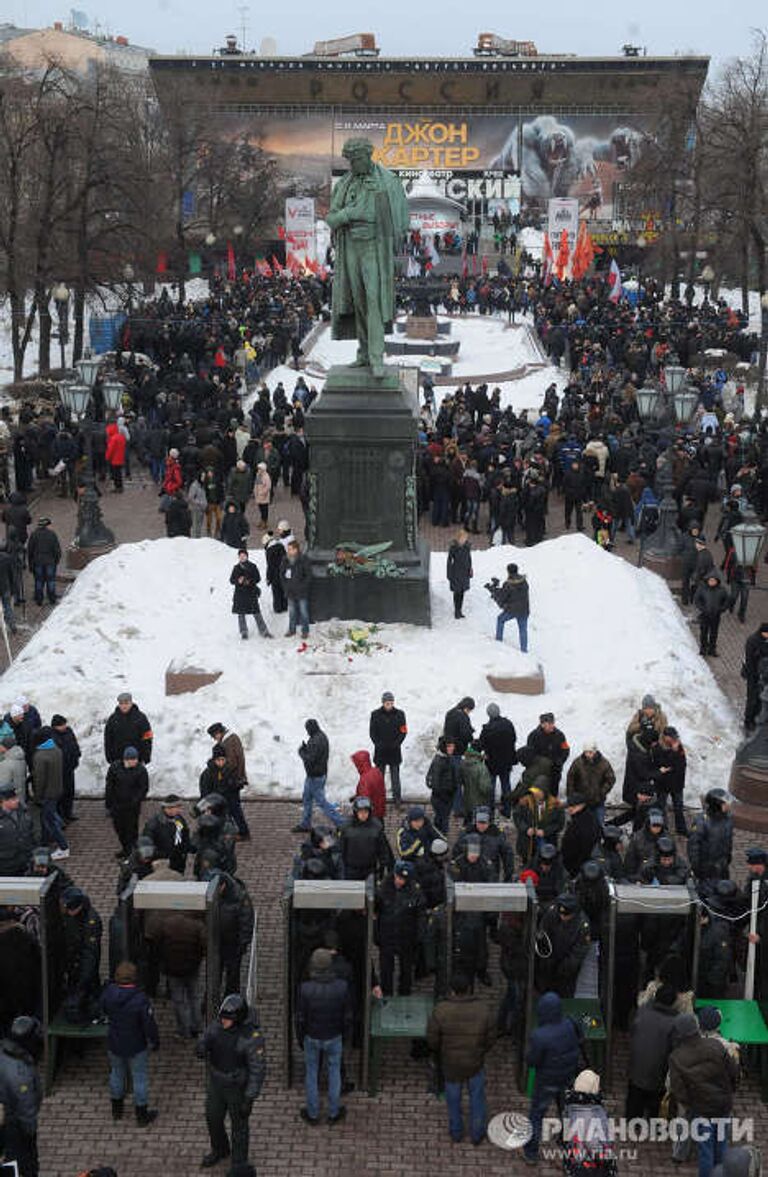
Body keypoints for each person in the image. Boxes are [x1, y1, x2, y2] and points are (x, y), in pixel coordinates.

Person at [197, 994, 266, 1171]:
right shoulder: (217, 1026)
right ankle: (220, 1149)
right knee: (212, 1117)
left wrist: (249, 1098)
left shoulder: (251, 1037)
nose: (223, 1022)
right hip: (217, 1083)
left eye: (227, 1019)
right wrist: (201, 1046)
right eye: (222, 1018)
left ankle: (239, 1160)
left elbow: (257, 1070)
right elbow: (205, 1038)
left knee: (240, 1126)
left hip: (237, 1088)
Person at [426, 972, 496, 1146]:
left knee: (453, 1099)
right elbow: (491, 1038)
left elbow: (432, 1040)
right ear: (470, 988)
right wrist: (480, 1051)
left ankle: (456, 1132)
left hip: (451, 1064)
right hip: (475, 1062)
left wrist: (442, 1052)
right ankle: (477, 1133)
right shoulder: (483, 1010)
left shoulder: (441, 1010)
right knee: (477, 1098)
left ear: (451, 990)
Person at [668, 1012, 739, 1177]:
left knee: (705, 1151)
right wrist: (728, 1092)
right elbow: (733, 1072)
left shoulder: (676, 1057)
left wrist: (691, 1104)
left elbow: (678, 1090)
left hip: (700, 1110)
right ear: (697, 1027)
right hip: (723, 1105)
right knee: (721, 1146)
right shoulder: (716, 1046)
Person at [522, 991, 583, 1166]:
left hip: (546, 1081)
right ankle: (567, 1145)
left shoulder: (539, 1035)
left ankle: (531, 1153)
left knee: (537, 1115)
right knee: (567, 1112)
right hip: (568, 1076)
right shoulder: (571, 1023)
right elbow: (581, 1038)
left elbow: (532, 1061)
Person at [296, 947, 353, 1125]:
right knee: (334, 1072)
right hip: (334, 1035)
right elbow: (348, 1016)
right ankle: (333, 1112)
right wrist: (346, 1036)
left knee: (312, 1072)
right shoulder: (342, 987)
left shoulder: (305, 989)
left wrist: (300, 1037)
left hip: (312, 1036)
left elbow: (300, 1017)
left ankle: (313, 1113)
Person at [101, 960, 159, 1126]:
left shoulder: (109, 993)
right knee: (139, 1078)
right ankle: (141, 1115)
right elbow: (149, 1024)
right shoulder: (140, 999)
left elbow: (103, 1008)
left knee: (116, 1074)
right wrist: (154, 1041)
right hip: (136, 1044)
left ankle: (117, 1110)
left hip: (115, 1041)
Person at [625, 982, 678, 1119]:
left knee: (634, 1099)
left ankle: (632, 1121)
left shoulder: (641, 1011)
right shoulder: (674, 1022)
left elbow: (632, 1032)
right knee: (655, 1101)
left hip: (635, 1070)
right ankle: (652, 1121)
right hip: (658, 1075)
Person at [374, 860, 426, 996]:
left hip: (406, 937)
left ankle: (404, 994)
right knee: (386, 970)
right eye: (398, 877)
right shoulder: (383, 889)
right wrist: (376, 934)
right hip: (387, 936)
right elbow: (375, 913)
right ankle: (387, 994)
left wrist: (419, 935)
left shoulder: (415, 891)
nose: (400, 881)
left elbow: (420, 915)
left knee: (406, 970)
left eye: (403, 879)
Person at [0, 1015, 43, 1177]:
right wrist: (30, 1130)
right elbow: (27, 1108)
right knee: (26, 1164)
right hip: (15, 1125)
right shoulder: (20, 1073)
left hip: (5, 1118)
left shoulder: (4, 1051)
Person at [60, 885, 102, 1024]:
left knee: (87, 992)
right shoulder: (72, 914)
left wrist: (85, 978)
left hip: (84, 966)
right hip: (73, 962)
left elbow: (90, 953)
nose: (66, 911)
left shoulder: (91, 922)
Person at [534, 894, 591, 997]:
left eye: (566, 915)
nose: (563, 917)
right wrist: (546, 961)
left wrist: (562, 970)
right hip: (549, 964)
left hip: (566, 972)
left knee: (565, 997)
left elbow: (578, 953)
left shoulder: (582, 925)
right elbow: (543, 934)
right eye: (561, 914)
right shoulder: (552, 913)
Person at [294, 719, 341, 834]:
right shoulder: (321, 736)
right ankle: (305, 823)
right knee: (307, 799)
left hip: (315, 777)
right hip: (316, 775)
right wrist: (307, 749)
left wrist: (301, 752)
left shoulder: (315, 740)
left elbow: (310, 760)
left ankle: (341, 823)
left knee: (321, 802)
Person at [31, 726, 69, 861]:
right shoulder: (56, 750)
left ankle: (63, 847)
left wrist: (37, 796)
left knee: (49, 820)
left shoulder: (40, 756)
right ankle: (56, 828)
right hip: (58, 789)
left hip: (48, 793)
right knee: (51, 814)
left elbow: (40, 780)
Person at [106, 746, 149, 861]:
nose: (134, 761)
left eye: (136, 759)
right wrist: (109, 803)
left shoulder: (141, 770)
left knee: (131, 830)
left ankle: (131, 852)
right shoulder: (115, 768)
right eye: (132, 759)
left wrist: (135, 801)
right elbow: (110, 785)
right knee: (119, 829)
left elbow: (143, 788)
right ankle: (125, 848)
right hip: (117, 806)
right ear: (125, 759)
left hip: (131, 807)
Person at [199, 743, 250, 842]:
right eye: (218, 760)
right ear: (214, 760)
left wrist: (237, 784)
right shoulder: (207, 774)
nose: (221, 762)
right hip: (215, 801)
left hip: (231, 799)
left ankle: (243, 833)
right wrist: (206, 805)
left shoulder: (230, 770)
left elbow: (235, 783)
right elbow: (204, 791)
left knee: (236, 815)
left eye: (223, 760)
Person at [338, 795, 393, 881]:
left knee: (370, 892)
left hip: (370, 869)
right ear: (356, 812)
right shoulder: (346, 827)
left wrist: (383, 865)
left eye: (366, 812)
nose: (363, 815)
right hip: (352, 869)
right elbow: (341, 849)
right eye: (361, 812)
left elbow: (383, 848)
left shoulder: (377, 827)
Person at [478, 703, 517, 819]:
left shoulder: (487, 728)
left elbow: (482, 744)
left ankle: (490, 811)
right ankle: (507, 809)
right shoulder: (508, 724)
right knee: (506, 785)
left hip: (492, 763)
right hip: (506, 761)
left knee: (491, 787)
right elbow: (514, 738)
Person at [369, 691, 407, 807]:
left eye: (391, 703)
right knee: (379, 777)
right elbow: (372, 732)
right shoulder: (375, 714)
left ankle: (397, 798)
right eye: (387, 703)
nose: (389, 705)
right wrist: (378, 744)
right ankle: (378, 798)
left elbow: (403, 731)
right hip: (380, 751)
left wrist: (396, 743)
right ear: (383, 703)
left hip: (394, 751)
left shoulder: (400, 714)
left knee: (395, 776)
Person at [520, 712, 570, 797]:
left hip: (555, 771)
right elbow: (529, 755)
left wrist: (560, 761)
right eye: (549, 724)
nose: (552, 726)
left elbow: (566, 749)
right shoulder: (533, 736)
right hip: (540, 773)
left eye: (553, 723)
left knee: (553, 795)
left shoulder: (560, 735)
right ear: (542, 724)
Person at [565, 741, 615, 826]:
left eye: (590, 752)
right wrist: (572, 796)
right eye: (586, 752)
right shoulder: (578, 763)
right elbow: (570, 779)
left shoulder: (604, 763)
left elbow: (610, 779)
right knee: (580, 825)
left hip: (598, 801)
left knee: (599, 825)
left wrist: (601, 792)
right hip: (581, 801)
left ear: (595, 752)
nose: (588, 755)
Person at [688, 788, 733, 882]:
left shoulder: (727, 818)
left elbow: (728, 840)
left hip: (722, 866)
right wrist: (697, 868)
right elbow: (693, 847)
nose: (729, 805)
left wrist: (727, 857)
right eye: (725, 803)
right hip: (706, 868)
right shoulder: (701, 822)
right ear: (716, 805)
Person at [652, 726, 688, 836]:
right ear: (665, 737)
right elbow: (662, 764)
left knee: (678, 807)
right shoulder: (657, 747)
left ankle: (681, 829)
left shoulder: (678, 746)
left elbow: (682, 764)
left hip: (677, 784)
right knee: (662, 808)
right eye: (671, 737)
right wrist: (673, 752)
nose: (673, 739)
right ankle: (664, 830)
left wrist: (675, 755)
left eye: (674, 737)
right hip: (662, 784)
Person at [142, 794, 191, 875]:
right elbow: (148, 845)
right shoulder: (154, 824)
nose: (180, 809)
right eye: (178, 807)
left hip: (178, 861)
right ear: (169, 808)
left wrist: (186, 848)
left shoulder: (179, 819)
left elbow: (184, 834)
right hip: (163, 862)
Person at [229, 548, 271, 640]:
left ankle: (264, 631)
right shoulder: (236, 568)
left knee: (256, 612)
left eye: (243, 556)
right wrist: (238, 581)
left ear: (247, 556)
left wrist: (250, 581)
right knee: (241, 614)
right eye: (240, 556)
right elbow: (231, 580)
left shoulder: (252, 566)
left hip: (251, 592)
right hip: (240, 594)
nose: (242, 557)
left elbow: (258, 578)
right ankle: (243, 631)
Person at [104, 692, 153, 765]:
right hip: (118, 760)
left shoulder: (141, 718)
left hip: (136, 760)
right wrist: (109, 758)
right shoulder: (113, 719)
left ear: (131, 703)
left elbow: (147, 738)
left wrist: (145, 757)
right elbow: (108, 739)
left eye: (126, 703)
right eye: (121, 703)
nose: (124, 706)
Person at [489, 562, 530, 651]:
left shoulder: (508, 584)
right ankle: (524, 650)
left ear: (508, 572)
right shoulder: (524, 582)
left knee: (500, 619)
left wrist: (494, 591)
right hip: (524, 610)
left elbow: (502, 597)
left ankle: (498, 639)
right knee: (523, 630)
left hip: (512, 610)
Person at [560, 794, 602, 877]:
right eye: (569, 806)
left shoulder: (586, 821)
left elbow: (586, 847)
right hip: (573, 864)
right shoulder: (579, 817)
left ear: (582, 805)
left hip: (578, 867)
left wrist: (575, 868)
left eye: (572, 806)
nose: (569, 809)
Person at [51, 714, 81, 825]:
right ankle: (61, 816)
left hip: (69, 767)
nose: (64, 726)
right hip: (59, 770)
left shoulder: (68, 731)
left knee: (70, 791)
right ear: (55, 726)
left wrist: (77, 754)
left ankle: (68, 813)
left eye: (64, 724)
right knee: (61, 793)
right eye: (61, 725)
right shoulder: (52, 736)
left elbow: (74, 743)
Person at [280, 539, 312, 641]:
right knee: (292, 612)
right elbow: (282, 575)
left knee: (304, 612)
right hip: (290, 591)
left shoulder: (303, 559)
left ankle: (305, 631)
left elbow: (308, 576)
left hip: (301, 592)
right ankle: (292, 629)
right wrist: (285, 586)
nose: (288, 551)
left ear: (296, 550)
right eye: (288, 549)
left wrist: (303, 586)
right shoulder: (285, 560)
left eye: (290, 549)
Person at [0, 782, 35, 876]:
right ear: (3, 801)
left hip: (24, 864)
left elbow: (31, 836)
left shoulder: (23, 812)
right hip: (4, 867)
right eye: (13, 799)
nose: (18, 801)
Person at [426, 735, 459, 833]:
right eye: (449, 746)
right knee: (442, 824)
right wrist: (445, 795)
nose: (452, 748)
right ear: (444, 747)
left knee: (441, 822)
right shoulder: (440, 761)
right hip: (441, 799)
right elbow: (435, 783)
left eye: (452, 746)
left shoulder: (447, 758)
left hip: (446, 798)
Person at [26, 517, 61, 607]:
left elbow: (30, 551)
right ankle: (52, 598)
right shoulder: (52, 534)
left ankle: (39, 599)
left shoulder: (34, 535)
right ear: (46, 525)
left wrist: (30, 564)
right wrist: (56, 560)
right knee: (51, 580)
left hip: (38, 561)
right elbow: (57, 549)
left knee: (39, 581)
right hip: (50, 561)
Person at [694, 572, 730, 657]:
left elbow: (727, 601)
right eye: (710, 580)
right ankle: (703, 649)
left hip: (716, 615)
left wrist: (722, 609)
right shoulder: (702, 589)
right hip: (705, 615)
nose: (712, 582)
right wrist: (702, 609)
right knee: (704, 632)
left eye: (714, 580)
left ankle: (712, 649)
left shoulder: (722, 590)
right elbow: (697, 600)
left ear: (717, 581)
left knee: (714, 633)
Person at [742, 621, 768, 731]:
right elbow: (749, 661)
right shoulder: (752, 641)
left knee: (759, 697)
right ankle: (748, 721)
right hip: (753, 675)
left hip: (762, 675)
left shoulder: (764, 641)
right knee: (752, 698)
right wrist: (754, 676)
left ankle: (755, 717)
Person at [350, 749, 386, 819]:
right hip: (380, 811)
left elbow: (364, 801)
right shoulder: (376, 771)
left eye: (356, 763)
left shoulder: (365, 780)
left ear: (359, 763)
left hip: (371, 816)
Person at [446, 529, 472, 619]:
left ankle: (460, 610)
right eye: (463, 538)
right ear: (459, 538)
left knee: (462, 592)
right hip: (456, 572)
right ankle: (457, 611)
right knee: (457, 592)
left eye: (465, 538)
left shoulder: (467, 547)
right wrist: (449, 574)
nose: (465, 539)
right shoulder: (454, 548)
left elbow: (469, 559)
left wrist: (470, 569)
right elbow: (449, 561)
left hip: (464, 572)